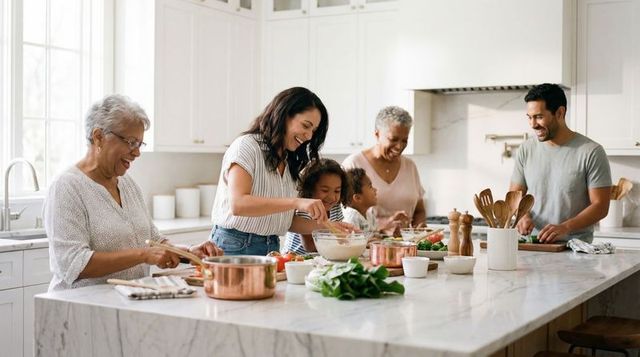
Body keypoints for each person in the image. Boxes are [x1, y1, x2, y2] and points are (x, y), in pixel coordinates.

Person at [44, 95, 222, 291]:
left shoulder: (127, 184)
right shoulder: (67, 187)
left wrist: (189, 253)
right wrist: (143, 255)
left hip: (126, 302)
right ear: (98, 137)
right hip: (81, 307)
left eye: (139, 144)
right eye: (130, 142)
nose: (137, 153)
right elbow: (73, 263)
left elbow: (153, 239)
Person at [210, 87, 354, 255]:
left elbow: (286, 221)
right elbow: (239, 204)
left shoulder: (289, 161)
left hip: (271, 246)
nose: (308, 136)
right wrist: (297, 202)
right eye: (305, 126)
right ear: (284, 116)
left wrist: (327, 226)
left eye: (313, 131)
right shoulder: (246, 146)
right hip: (234, 244)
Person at [510, 83, 612, 243]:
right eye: (529, 117)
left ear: (560, 112)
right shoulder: (526, 149)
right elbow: (515, 196)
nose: (533, 124)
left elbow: (600, 206)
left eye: (539, 117)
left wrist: (565, 227)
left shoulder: (591, 152)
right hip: (533, 245)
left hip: (575, 249)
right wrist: (523, 215)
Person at [343, 106, 424, 231]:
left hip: (406, 245)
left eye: (405, 140)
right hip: (369, 245)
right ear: (377, 134)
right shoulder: (353, 164)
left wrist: (420, 230)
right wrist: (385, 225)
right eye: (393, 139)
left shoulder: (410, 166)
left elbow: (419, 211)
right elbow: (343, 217)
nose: (399, 146)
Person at [282, 159, 349, 255]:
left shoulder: (335, 206)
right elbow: (309, 246)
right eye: (325, 190)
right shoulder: (305, 208)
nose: (331, 197)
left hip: (323, 257)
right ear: (310, 188)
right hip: (298, 259)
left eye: (337, 191)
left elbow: (339, 235)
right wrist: (341, 242)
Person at [342, 168, 407, 235]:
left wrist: (386, 232)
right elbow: (352, 242)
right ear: (358, 198)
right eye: (370, 186)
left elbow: (375, 235)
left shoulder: (369, 215)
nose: (375, 189)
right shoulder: (351, 217)